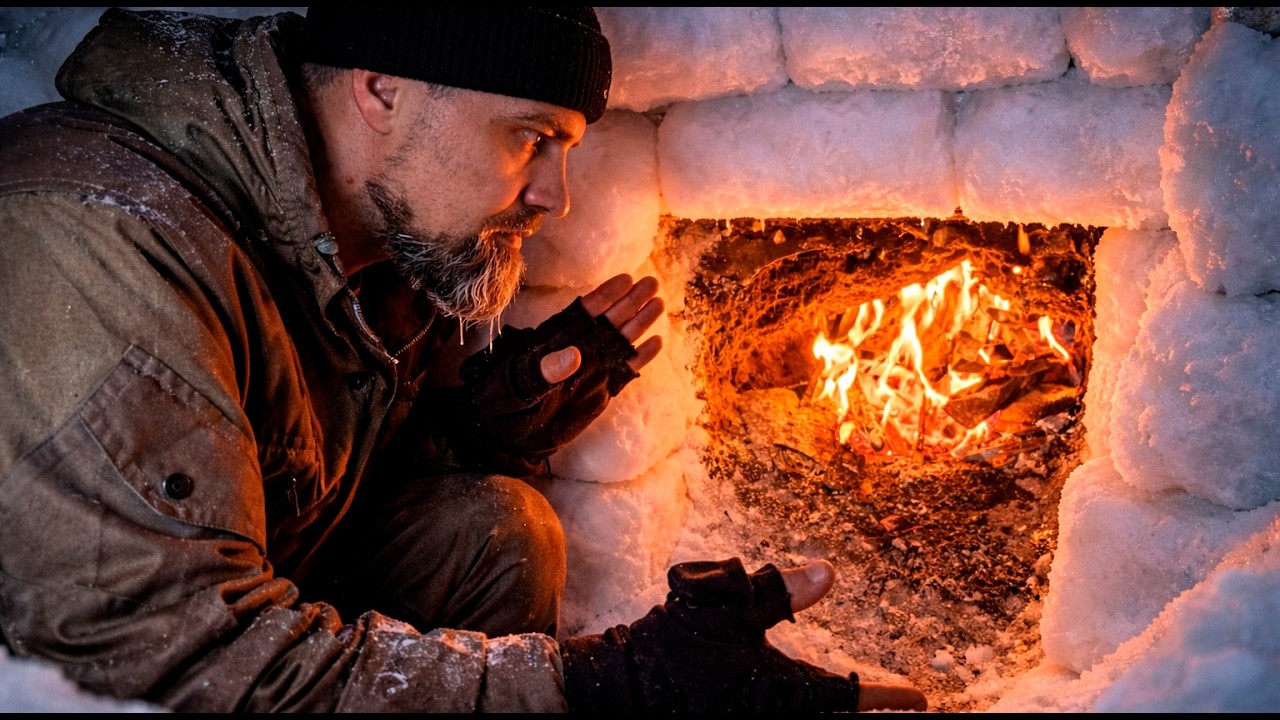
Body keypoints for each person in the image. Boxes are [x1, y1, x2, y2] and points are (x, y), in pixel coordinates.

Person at [0, 7, 926, 713]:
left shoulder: (374, 231)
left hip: (221, 603)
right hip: (120, 665)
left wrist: (484, 426)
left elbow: (289, 489)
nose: (553, 196)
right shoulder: (100, 247)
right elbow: (167, 666)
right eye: (532, 137)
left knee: (495, 530)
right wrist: (611, 687)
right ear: (382, 88)